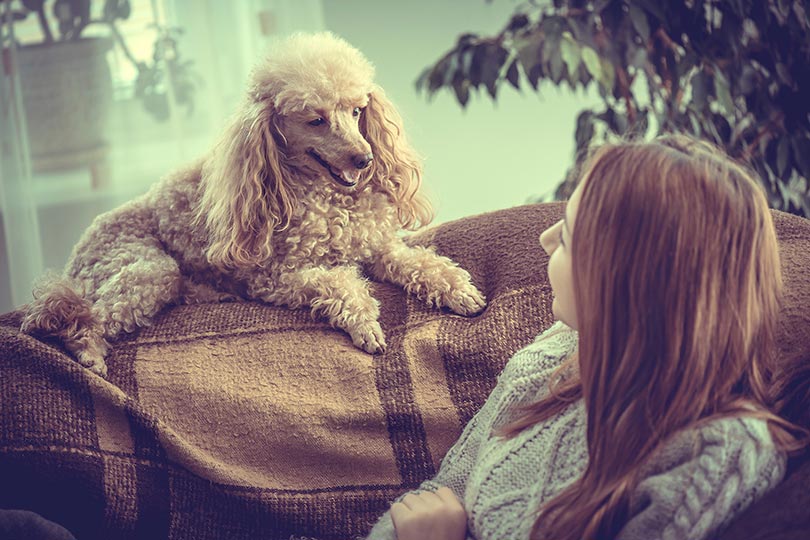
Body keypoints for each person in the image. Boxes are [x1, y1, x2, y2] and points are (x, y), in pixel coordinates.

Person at [364, 134, 808, 540]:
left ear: (628, 280)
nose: (544, 238)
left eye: (570, 233)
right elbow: (435, 496)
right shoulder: (550, 355)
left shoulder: (717, 455)